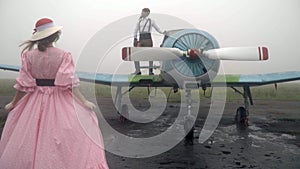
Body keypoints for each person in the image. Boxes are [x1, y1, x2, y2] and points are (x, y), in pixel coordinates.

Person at [0, 18, 109, 169]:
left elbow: (24, 85)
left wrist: (14, 103)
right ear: (56, 36)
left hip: (34, 100)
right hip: (59, 100)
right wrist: (84, 102)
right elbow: (69, 83)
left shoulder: (29, 56)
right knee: (61, 137)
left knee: (31, 136)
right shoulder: (63, 55)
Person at [132, 8, 166, 75]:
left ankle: (150, 71)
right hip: (141, 39)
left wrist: (162, 32)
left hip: (148, 39)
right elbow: (135, 30)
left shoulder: (151, 21)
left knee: (150, 55)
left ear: (147, 13)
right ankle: (137, 70)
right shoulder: (139, 21)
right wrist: (135, 38)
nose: (142, 13)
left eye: (144, 12)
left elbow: (157, 28)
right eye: (142, 12)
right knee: (135, 54)